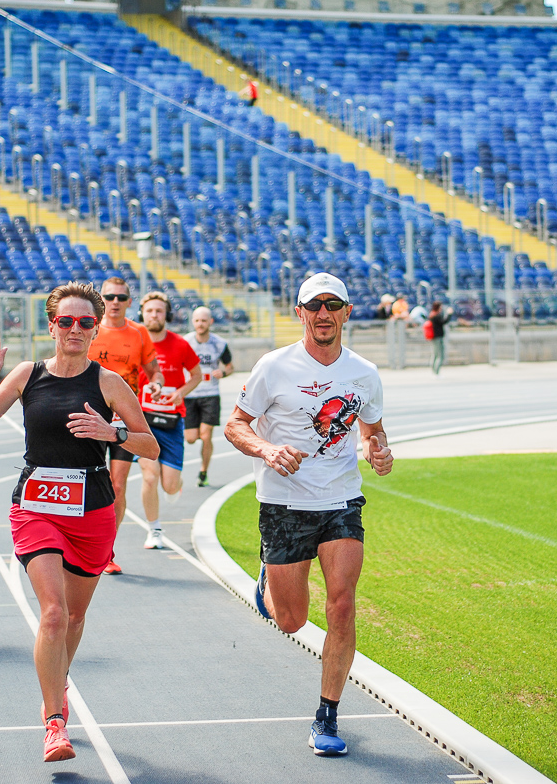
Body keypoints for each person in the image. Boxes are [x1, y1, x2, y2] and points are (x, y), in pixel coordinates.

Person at [0, 282, 159, 763]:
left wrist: (112, 433)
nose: (75, 329)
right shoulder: (27, 374)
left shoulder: (109, 383)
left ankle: (57, 679)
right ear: (52, 326)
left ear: (95, 329)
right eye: (66, 321)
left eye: (86, 322)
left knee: (73, 616)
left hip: (92, 509)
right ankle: (55, 722)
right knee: (53, 612)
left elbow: (151, 446)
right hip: (36, 506)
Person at [224, 272, 392, 758]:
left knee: (342, 605)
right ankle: (268, 579)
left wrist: (377, 451)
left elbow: (372, 431)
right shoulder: (274, 366)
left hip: (341, 501)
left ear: (347, 312)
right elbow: (235, 425)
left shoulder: (364, 372)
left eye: (332, 305)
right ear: (299, 313)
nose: (323, 313)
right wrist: (267, 449)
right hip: (284, 504)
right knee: (292, 621)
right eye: (313, 305)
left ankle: (327, 715)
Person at [87, 277, 164, 574]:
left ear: (130, 302)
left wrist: (156, 385)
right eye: (110, 297)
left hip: (123, 419)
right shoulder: (89, 328)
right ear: (101, 300)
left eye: (121, 297)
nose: (115, 302)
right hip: (90, 415)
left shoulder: (139, 332)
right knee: (86, 482)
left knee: (117, 486)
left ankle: (107, 552)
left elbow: (154, 371)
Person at [137, 291, 202, 549]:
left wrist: (180, 393)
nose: (154, 315)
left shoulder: (180, 344)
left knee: (170, 486)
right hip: (141, 420)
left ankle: (176, 485)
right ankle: (154, 530)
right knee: (149, 476)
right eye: (150, 311)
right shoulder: (135, 341)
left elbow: (196, 375)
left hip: (172, 419)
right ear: (142, 313)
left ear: (167, 315)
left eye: (159, 311)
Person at [183, 305, 234, 488]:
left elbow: (230, 367)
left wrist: (223, 373)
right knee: (191, 438)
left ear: (210, 322)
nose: (200, 324)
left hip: (210, 394)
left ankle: (203, 471)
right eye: (197, 320)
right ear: (193, 322)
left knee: (206, 435)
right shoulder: (186, 342)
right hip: (190, 393)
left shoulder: (219, 343)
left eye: (204, 321)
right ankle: (197, 433)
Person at [426, 301, 451, 375]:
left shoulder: (432, 315)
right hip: (437, 338)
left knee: (435, 354)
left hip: (434, 337)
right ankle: (436, 372)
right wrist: (449, 314)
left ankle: (434, 370)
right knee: (439, 355)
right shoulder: (436, 316)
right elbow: (444, 322)